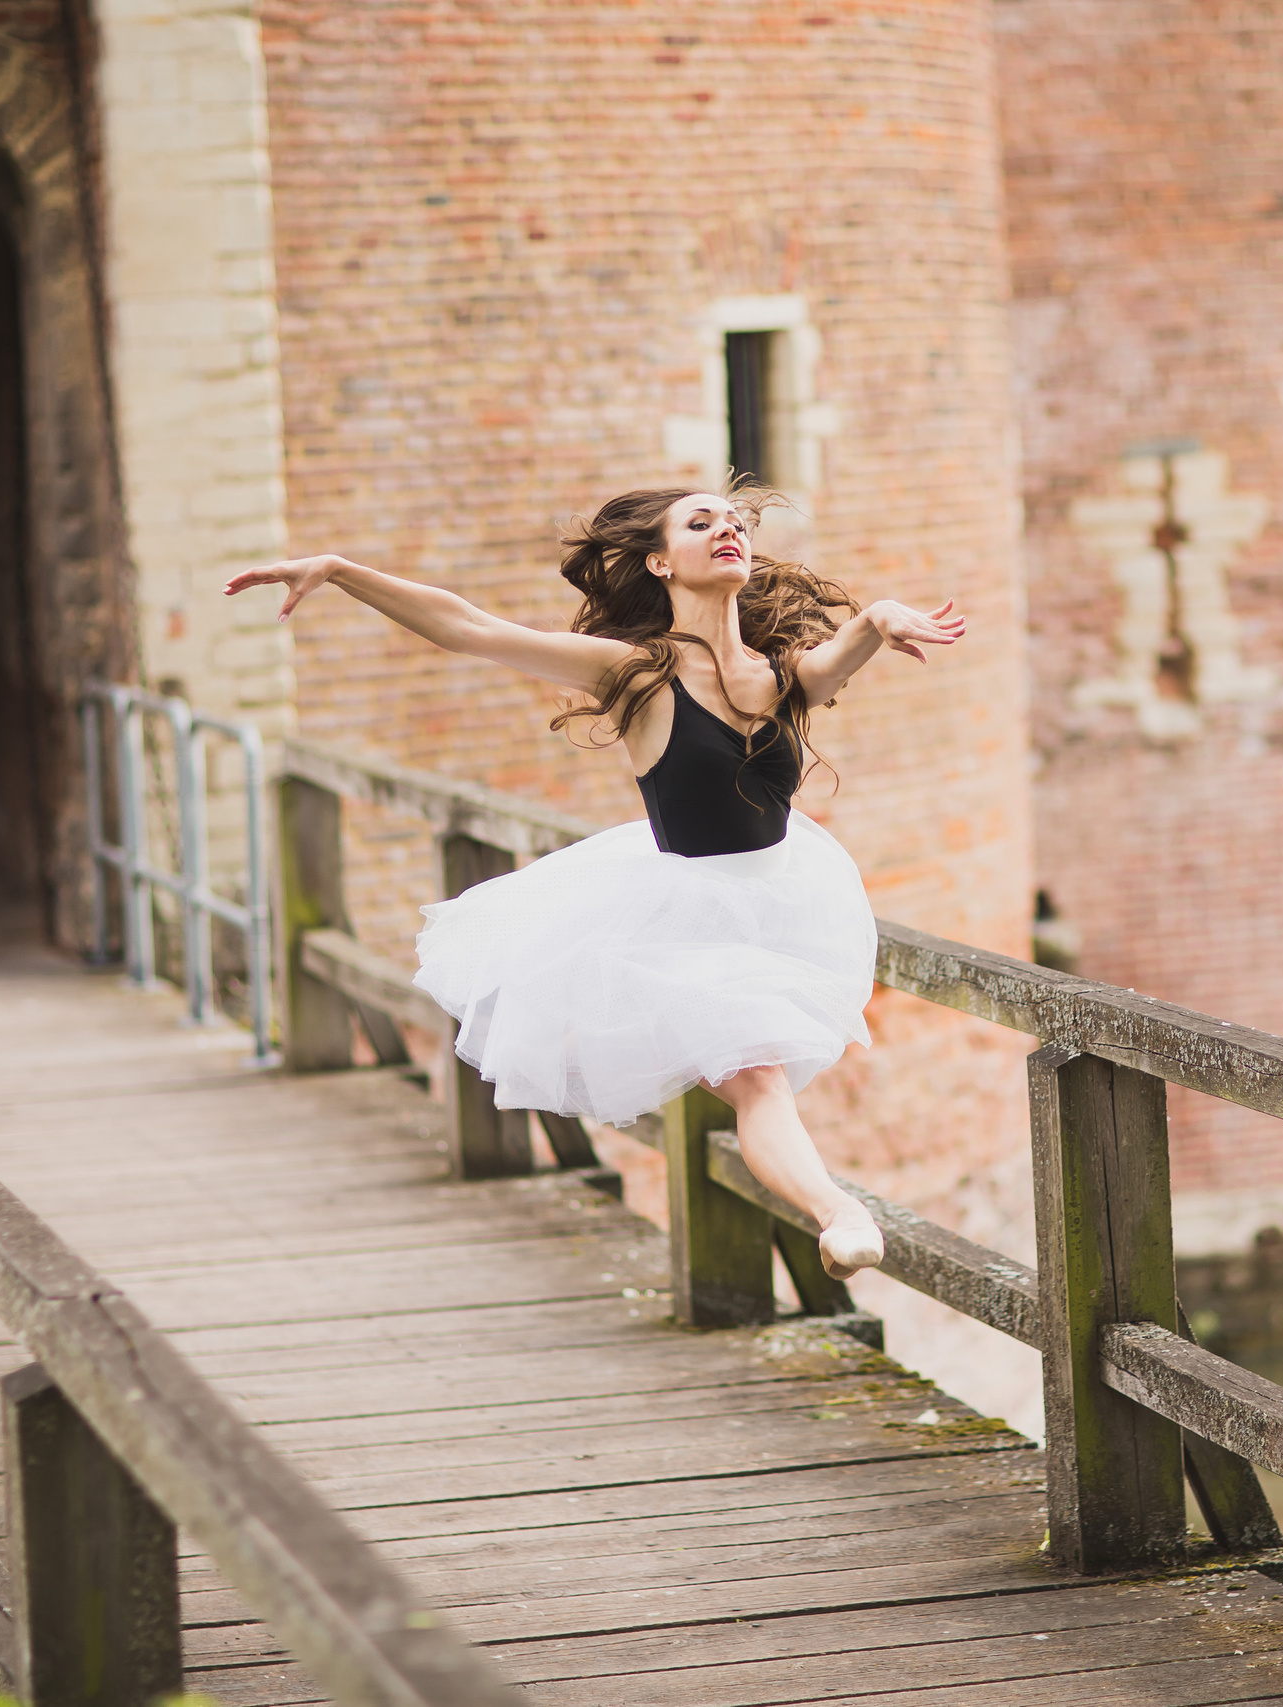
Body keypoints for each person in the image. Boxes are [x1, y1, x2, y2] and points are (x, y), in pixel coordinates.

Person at [222, 484, 967, 1279]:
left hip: (785, 898)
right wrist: (341, 571)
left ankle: (832, 1212)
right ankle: (839, 1214)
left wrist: (878, 618)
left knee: (760, 1075)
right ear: (660, 562)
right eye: (699, 522)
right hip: (685, 918)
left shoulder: (783, 676)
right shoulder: (636, 674)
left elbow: (841, 652)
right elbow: (471, 628)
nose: (727, 529)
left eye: (734, 522)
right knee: (756, 1077)